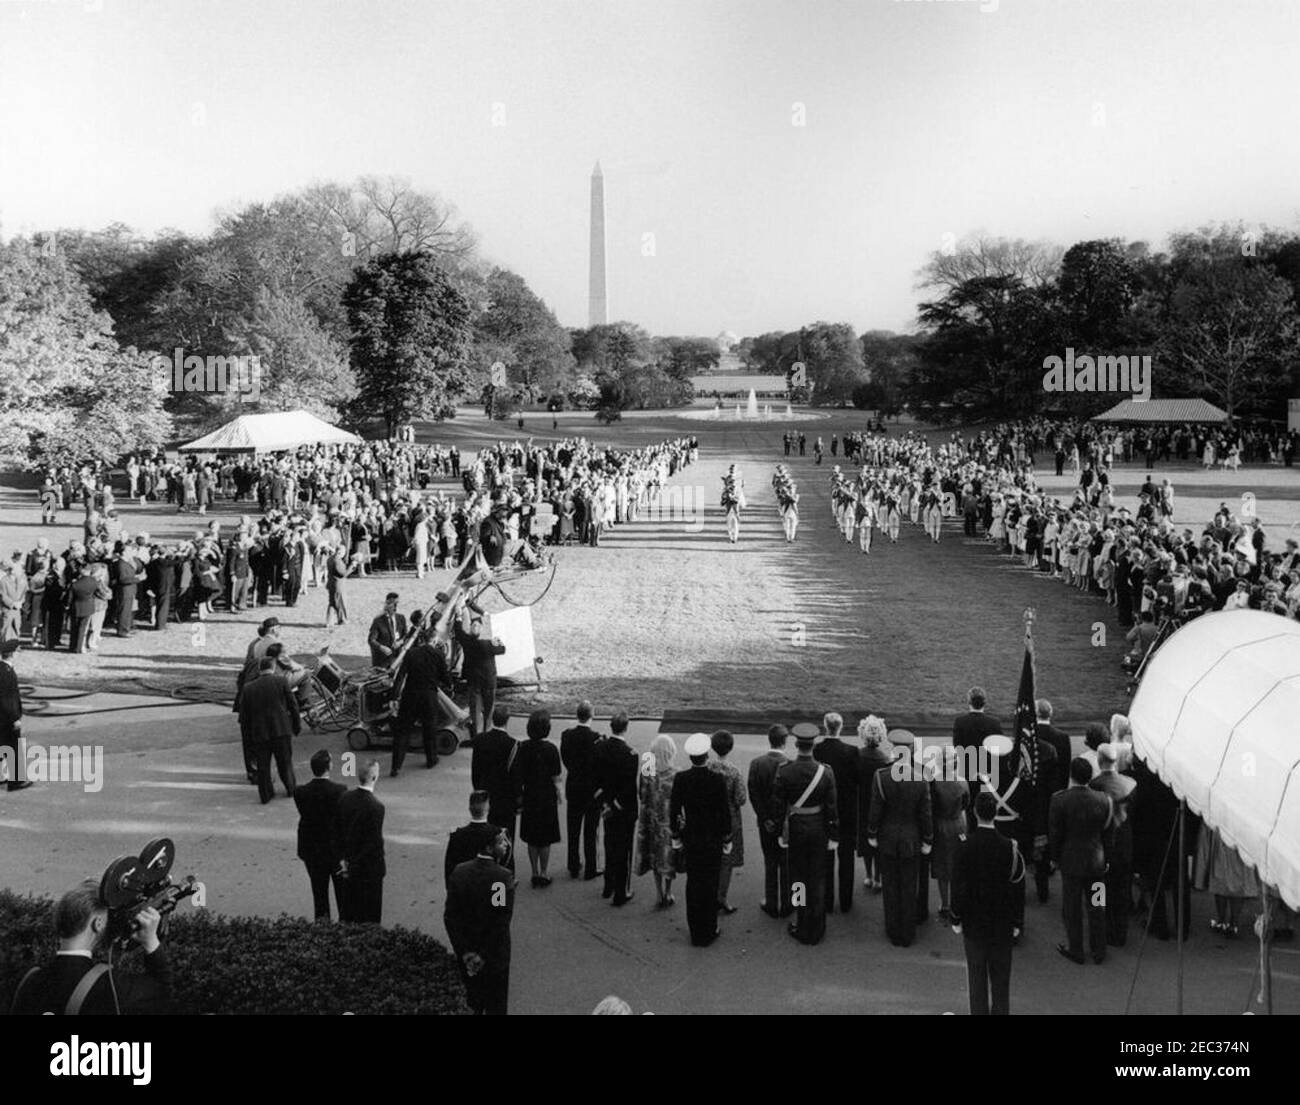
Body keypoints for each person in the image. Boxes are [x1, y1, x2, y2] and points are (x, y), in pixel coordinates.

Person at [9, 880, 173, 1014]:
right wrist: (151, 941)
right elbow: (161, 993)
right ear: (98, 923)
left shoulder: (28, 981)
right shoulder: (109, 986)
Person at [950, 791, 1025, 1016]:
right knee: (1001, 980)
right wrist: (1017, 922)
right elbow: (1017, 890)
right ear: (996, 814)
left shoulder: (965, 846)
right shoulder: (1010, 848)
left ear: (974, 813)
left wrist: (956, 917)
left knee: (976, 978)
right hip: (1001, 925)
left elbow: (959, 887)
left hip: (974, 925)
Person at [772, 722, 839, 945]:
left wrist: (782, 834)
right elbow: (832, 807)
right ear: (813, 745)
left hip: (797, 828)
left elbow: (778, 807)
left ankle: (802, 923)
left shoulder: (785, 771)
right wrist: (833, 834)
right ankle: (817, 925)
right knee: (818, 879)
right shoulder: (826, 772)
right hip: (818, 828)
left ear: (797, 744)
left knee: (798, 880)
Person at [866, 730, 933, 948]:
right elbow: (925, 814)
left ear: (894, 749)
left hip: (887, 837)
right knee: (908, 885)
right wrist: (928, 840)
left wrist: (872, 833)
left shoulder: (881, 776)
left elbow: (875, 810)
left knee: (891, 886)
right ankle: (907, 931)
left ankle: (893, 929)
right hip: (911, 839)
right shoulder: (921, 779)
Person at [444, 827, 515, 1015]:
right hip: (494, 959)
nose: (506, 845)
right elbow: (499, 920)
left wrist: (465, 951)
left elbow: (451, 917)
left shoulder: (460, 872)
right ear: (489, 848)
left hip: (467, 957)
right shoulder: (500, 877)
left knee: (471, 1005)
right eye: (501, 842)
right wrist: (483, 955)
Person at [670, 733, 732, 947]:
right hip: (712, 838)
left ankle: (696, 929)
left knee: (694, 883)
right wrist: (727, 837)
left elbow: (674, 810)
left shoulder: (681, 779)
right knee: (710, 883)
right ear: (707, 755)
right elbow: (725, 813)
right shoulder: (717, 780)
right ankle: (710, 926)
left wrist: (676, 837)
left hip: (692, 838)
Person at [1049, 756, 1113, 965]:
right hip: (1097, 861)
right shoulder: (1105, 799)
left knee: (1072, 907)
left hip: (1071, 862)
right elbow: (1108, 833)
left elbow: (1056, 833)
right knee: (1097, 905)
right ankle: (1099, 949)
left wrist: (1054, 858)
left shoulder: (1059, 800)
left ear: (1071, 775)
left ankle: (1076, 948)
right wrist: (1107, 858)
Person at [1089, 742, 1136, 946]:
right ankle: (1120, 932)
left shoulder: (1094, 786)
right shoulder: (1131, 784)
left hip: (1102, 847)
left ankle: (1103, 930)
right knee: (1122, 891)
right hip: (1124, 844)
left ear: (1100, 761)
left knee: (1099, 891)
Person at [239, 652, 301, 804]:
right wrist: (296, 725)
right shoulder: (282, 682)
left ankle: (266, 794)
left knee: (263, 766)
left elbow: (244, 717)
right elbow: (293, 705)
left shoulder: (248, 688)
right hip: (281, 729)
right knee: (285, 762)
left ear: (260, 669)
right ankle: (291, 788)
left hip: (260, 733)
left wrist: (249, 738)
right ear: (273, 668)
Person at [293, 749, 347, 920]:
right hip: (334, 850)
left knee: (319, 893)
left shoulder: (300, 792)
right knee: (342, 893)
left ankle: (322, 927)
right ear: (329, 766)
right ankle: (344, 925)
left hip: (312, 850)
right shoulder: (340, 790)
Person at [592, 710, 639, 906]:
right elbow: (629, 786)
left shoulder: (600, 748)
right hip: (624, 808)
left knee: (609, 844)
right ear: (626, 728)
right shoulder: (631, 753)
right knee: (624, 850)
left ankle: (608, 885)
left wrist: (605, 802)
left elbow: (596, 778)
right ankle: (621, 891)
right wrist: (617, 804)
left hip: (605, 805)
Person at [813, 712, 859, 914]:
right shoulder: (851, 751)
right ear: (841, 727)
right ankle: (846, 902)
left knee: (826, 858)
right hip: (847, 811)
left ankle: (828, 900)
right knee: (846, 858)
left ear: (825, 726)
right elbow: (856, 783)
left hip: (824, 810)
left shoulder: (817, 750)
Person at [512, 709, 562, 887]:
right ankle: (544, 872)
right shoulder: (551, 749)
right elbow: (556, 776)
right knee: (545, 838)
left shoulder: (523, 748)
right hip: (546, 795)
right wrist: (559, 793)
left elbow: (518, 774)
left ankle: (534, 871)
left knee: (532, 837)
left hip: (530, 794)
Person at [392, 626, 450, 776]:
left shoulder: (411, 653)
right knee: (429, 729)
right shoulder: (438, 654)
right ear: (435, 639)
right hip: (429, 696)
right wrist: (447, 684)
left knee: (403, 731)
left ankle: (396, 766)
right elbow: (445, 676)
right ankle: (431, 759)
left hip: (410, 695)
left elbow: (400, 676)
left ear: (423, 639)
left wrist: (394, 696)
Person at [748, 724, 791, 917]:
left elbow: (753, 794)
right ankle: (788, 903)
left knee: (770, 861)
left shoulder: (757, 764)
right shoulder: (790, 765)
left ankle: (771, 901)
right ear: (785, 741)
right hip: (785, 824)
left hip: (766, 823)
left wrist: (765, 817)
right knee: (786, 863)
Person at [336, 758, 386, 923]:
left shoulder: (345, 798)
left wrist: (344, 860)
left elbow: (338, 831)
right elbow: (374, 843)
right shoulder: (376, 807)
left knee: (350, 911)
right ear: (374, 777)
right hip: (368, 870)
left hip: (348, 863)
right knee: (370, 914)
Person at [560, 701, 604, 880]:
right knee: (590, 830)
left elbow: (565, 758)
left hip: (574, 784)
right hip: (591, 789)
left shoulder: (567, 735)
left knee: (573, 827)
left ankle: (573, 864)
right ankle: (591, 867)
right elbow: (600, 765)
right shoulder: (597, 738)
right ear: (592, 715)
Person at [1034, 699, 1072, 902]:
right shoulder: (1062, 737)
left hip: (1036, 795)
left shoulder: (1030, 736)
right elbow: (1065, 769)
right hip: (1095, 865)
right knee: (1094, 902)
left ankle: (1042, 882)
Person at [635, 734, 678, 908]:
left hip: (651, 820)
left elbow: (641, 794)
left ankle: (659, 893)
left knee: (653, 855)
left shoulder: (647, 768)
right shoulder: (675, 773)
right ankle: (668, 892)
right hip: (668, 822)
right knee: (668, 858)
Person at [708, 729, 747, 914]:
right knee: (726, 862)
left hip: (709, 819)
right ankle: (721, 897)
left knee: (711, 859)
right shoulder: (733, 772)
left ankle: (710, 895)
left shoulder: (706, 767)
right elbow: (741, 798)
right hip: (730, 821)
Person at [471, 705, 520, 846]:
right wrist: (517, 798)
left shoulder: (480, 740)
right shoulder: (513, 745)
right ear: (507, 721)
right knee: (505, 838)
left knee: (486, 837)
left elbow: (475, 770)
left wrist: (477, 789)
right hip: (505, 799)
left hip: (485, 794)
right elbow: (515, 776)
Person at [931, 746, 970, 922]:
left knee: (942, 865)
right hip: (958, 824)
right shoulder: (962, 782)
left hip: (940, 825)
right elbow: (966, 804)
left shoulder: (934, 782)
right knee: (957, 864)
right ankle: (955, 903)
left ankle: (944, 903)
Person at [856, 716, 893, 892]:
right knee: (878, 840)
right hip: (881, 804)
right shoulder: (885, 759)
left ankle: (869, 875)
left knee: (864, 839)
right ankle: (878, 877)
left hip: (862, 803)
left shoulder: (856, 756)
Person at [455, 610, 506, 736]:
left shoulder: (467, 642)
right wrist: (499, 641)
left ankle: (477, 736)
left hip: (474, 681)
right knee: (489, 710)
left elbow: (458, 631)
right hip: (489, 681)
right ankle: (487, 732)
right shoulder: (488, 644)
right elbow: (502, 650)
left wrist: (458, 616)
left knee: (475, 711)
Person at [445, 790, 506, 888]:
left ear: (469, 809)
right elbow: (505, 872)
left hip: (465, 890)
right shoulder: (497, 834)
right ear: (488, 809)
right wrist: (500, 902)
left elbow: (450, 870)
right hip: (491, 891)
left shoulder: (457, 836)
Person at [1, 638, 31, 792]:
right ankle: (16, 781)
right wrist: (15, 718)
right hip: (7, 718)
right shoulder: (6, 672)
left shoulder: (4, 669)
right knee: (13, 748)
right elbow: (7, 699)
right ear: (11, 654)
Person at [367, 592, 407, 668]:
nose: (395, 607)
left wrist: (400, 642)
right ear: (387, 604)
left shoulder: (401, 618)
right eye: (392, 604)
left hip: (397, 658)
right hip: (382, 660)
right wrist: (382, 647)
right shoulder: (378, 621)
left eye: (396, 604)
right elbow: (371, 640)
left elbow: (406, 635)